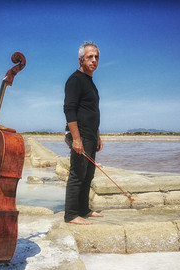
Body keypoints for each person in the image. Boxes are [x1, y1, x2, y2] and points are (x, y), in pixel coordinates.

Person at [63, 41, 104, 225]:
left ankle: (83, 209)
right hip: (80, 135)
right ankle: (71, 215)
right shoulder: (75, 80)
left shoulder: (90, 82)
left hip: (90, 135)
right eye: (90, 57)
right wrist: (76, 139)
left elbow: (90, 110)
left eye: (96, 57)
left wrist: (97, 134)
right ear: (81, 59)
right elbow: (69, 110)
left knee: (88, 175)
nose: (94, 60)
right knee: (77, 174)